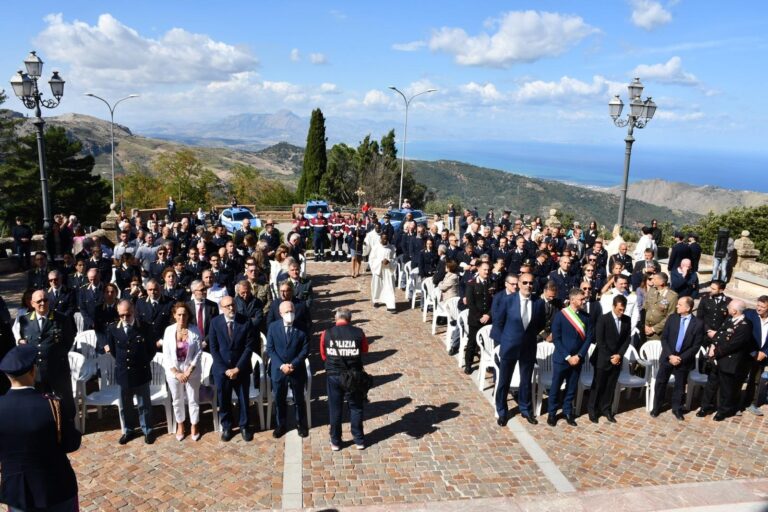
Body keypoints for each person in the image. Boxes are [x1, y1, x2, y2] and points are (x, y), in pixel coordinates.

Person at [0, 345, 81, 512]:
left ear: (7, 376)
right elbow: (71, 443)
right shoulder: (52, 405)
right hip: (57, 487)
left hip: (19, 491)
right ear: (33, 371)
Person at [492, 273, 545, 426]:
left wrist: (528, 336)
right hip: (509, 346)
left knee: (526, 381)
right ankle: (502, 411)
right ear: (519, 284)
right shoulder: (508, 300)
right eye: (525, 282)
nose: (528, 285)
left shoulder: (538, 302)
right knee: (504, 381)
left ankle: (525, 409)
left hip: (528, 347)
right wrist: (504, 341)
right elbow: (498, 322)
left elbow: (540, 323)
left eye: (531, 283)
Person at [16, 290, 76, 421]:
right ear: (32, 303)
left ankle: (67, 427)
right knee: (40, 404)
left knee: (65, 403)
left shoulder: (62, 319)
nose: (43, 303)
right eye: (39, 301)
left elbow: (68, 341)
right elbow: (23, 339)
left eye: (45, 300)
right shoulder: (25, 320)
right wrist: (21, 342)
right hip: (37, 371)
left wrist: (54, 355)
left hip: (58, 368)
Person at [107, 300, 156, 445]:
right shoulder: (113, 329)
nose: (124, 318)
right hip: (123, 373)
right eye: (121, 315)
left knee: (144, 405)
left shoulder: (145, 327)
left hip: (141, 372)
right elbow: (114, 351)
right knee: (125, 405)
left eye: (127, 315)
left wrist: (141, 362)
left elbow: (151, 350)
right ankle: (128, 430)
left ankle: (147, 430)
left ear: (133, 311)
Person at [209, 296, 256, 442]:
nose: (231, 308)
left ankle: (244, 426)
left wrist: (237, 368)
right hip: (222, 370)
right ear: (221, 308)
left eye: (233, 305)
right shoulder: (215, 322)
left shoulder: (246, 321)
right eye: (227, 306)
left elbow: (249, 347)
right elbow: (213, 348)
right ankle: (227, 426)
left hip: (241, 368)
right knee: (224, 399)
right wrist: (225, 369)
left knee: (243, 398)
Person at [697, 299, 753, 421]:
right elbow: (720, 333)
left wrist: (716, 352)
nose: (727, 308)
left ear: (735, 311)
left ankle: (722, 411)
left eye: (729, 307)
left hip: (729, 361)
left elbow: (734, 344)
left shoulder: (745, 326)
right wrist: (713, 345)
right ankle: (705, 406)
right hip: (717, 360)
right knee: (711, 385)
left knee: (726, 389)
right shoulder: (729, 319)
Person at [651, 297, 704, 420]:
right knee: (660, 383)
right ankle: (657, 406)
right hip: (668, 357)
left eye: (680, 305)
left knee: (680, 386)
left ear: (688, 308)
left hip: (683, 360)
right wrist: (670, 355)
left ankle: (677, 409)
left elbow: (696, 346)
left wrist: (680, 358)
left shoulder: (698, 324)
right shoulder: (672, 318)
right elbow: (664, 338)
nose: (676, 306)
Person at [547, 287, 592, 427]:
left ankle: (567, 411)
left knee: (571, 387)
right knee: (555, 387)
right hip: (562, 359)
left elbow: (589, 338)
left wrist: (579, 355)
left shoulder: (586, 317)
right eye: (581, 299)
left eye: (584, 299)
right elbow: (556, 339)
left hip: (578, 359)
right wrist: (568, 356)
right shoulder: (560, 316)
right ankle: (552, 413)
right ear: (572, 300)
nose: (584, 301)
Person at [266, 301, 310, 439]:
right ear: (280, 313)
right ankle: (281, 425)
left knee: (299, 399)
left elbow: (305, 349)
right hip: (279, 370)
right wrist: (281, 366)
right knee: (279, 399)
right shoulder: (273, 327)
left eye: (291, 311)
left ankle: (301, 424)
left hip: (296, 370)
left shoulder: (302, 327)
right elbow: (270, 349)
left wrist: (293, 364)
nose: (290, 314)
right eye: (286, 312)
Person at [162, 302, 203, 441]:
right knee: (177, 399)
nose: (181, 317)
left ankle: (194, 424)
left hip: (192, 370)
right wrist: (177, 373)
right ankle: (180, 424)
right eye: (179, 314)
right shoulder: (168, 331)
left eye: (184, 315)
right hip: (173, 371)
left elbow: (198, 353)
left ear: (188, 316)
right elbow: (166, 354)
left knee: (193, 399)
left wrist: (188, 371)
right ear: (174, 315)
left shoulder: (195, 330)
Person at [588, 295, 632, 424]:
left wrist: (619, 355)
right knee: (598, 386)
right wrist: (610, 357)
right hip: (602, 359)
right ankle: (593, 410)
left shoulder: (627, 320)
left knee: (610, 386)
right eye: (619, 309)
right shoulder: (603, 319)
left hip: (617, 359)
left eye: (623, 310)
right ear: (613, 306)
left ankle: (606, 409)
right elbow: (600, 341)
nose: (621, 312)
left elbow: (627, 339)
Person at [742, 295, 768, 415]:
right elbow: (743, 334)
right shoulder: (749, 314)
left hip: (762, 356)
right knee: (740, 378)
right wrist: (753, 352)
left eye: (762, 307)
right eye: (758, 305)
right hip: (747, 353)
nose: (759, 308)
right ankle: (735, 404)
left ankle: (750, 403)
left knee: (756, 380)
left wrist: (765, 353)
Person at [643, 272, 678, 341]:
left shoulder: (672, 296)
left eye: (655, 279)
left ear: (662, 282)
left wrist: (654, 329)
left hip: (659, 331)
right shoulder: (652, 291)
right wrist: (645, 325)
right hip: (646, 328)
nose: (652, 281)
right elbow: (646, 308)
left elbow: (670, 316)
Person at [369, 233, 397, 312]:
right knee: (377, 287)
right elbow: (371, 259)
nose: (385, 240)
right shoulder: (376, 247)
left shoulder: (392, 248)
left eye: (386, 239)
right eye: (383, 238)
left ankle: (391, 305)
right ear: (380, 239)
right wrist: (380, 262)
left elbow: (395, 259)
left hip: (388, 270)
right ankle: (376, 300)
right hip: (378, 270)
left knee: (389, 288)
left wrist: (389, 261)